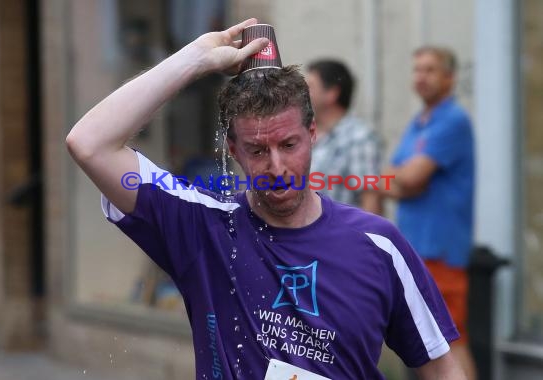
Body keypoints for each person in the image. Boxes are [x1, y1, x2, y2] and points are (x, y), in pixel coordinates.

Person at [66, 19, 467, 379]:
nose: (277, 166)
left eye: (289, 144)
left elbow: (442, 365)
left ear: (312, 134)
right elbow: (90, 144)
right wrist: (194, 59)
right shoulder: (204, 225)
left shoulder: (379, 244)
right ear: (234, 150)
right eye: (258, 150)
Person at [380, 46, 476, 380]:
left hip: (441, 252)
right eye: (417, 69)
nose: (421, 76)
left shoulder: (452, 120)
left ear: (450, 77)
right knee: (428, 348)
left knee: (450, 345)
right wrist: (399, 181)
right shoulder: (419, 122)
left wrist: (401, 180)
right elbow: (392, 178)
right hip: (417, 250)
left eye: (430, 70)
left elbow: (408, 178)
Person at [306, 60, 382, 214]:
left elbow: (370, 202)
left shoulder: (359, 138)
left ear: (331, 93)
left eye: (309, 87)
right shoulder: (305, 133)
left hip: (342, 236)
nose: (301, 93)